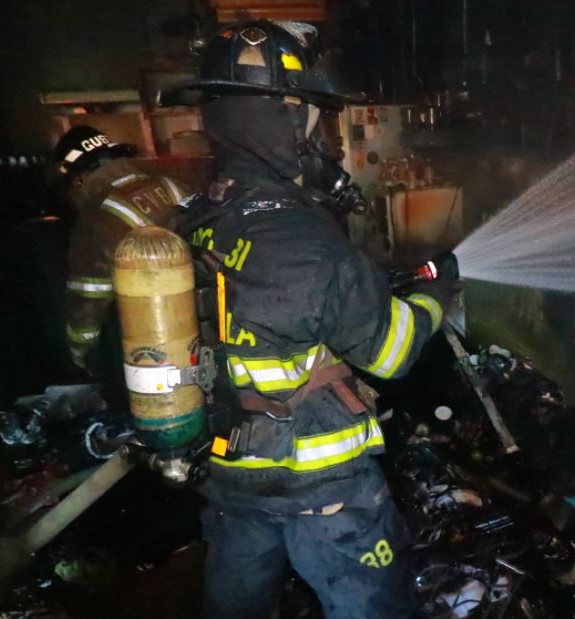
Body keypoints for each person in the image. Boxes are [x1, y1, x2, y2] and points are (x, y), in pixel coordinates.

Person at [160, 20, 454, 619]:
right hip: (322, 487)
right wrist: (435, 296)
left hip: (229, 474)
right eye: (316, 118)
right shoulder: (305, 238)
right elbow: (390, 352)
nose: (325, 136)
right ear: (286, 116)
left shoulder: (196, 215)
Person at [55, 126, 191, 374]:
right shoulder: (172, 184)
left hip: (157, 342)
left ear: (78, 178)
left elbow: (88, 301)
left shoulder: (96, 219)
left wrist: (79, 357)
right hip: (209, 323)